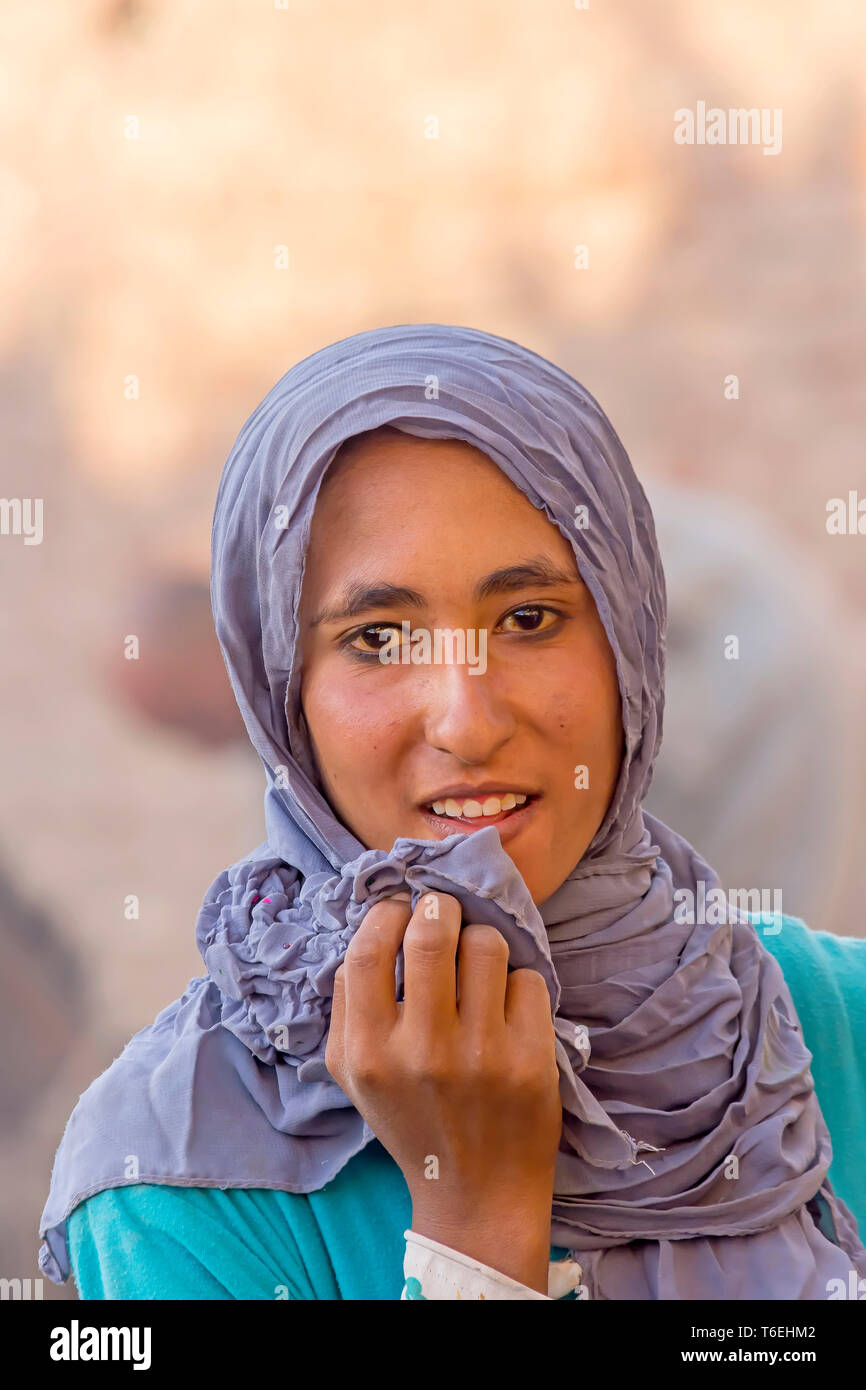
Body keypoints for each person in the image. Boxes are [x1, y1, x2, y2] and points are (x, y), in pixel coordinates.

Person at [39, 324, 866, 1300]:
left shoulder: (833, 1025)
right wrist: (472, 1227)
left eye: (527, 619)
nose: (466, 721)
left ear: (629, 645)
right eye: (377, 636)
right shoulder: (169, 1186)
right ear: (280, 694)